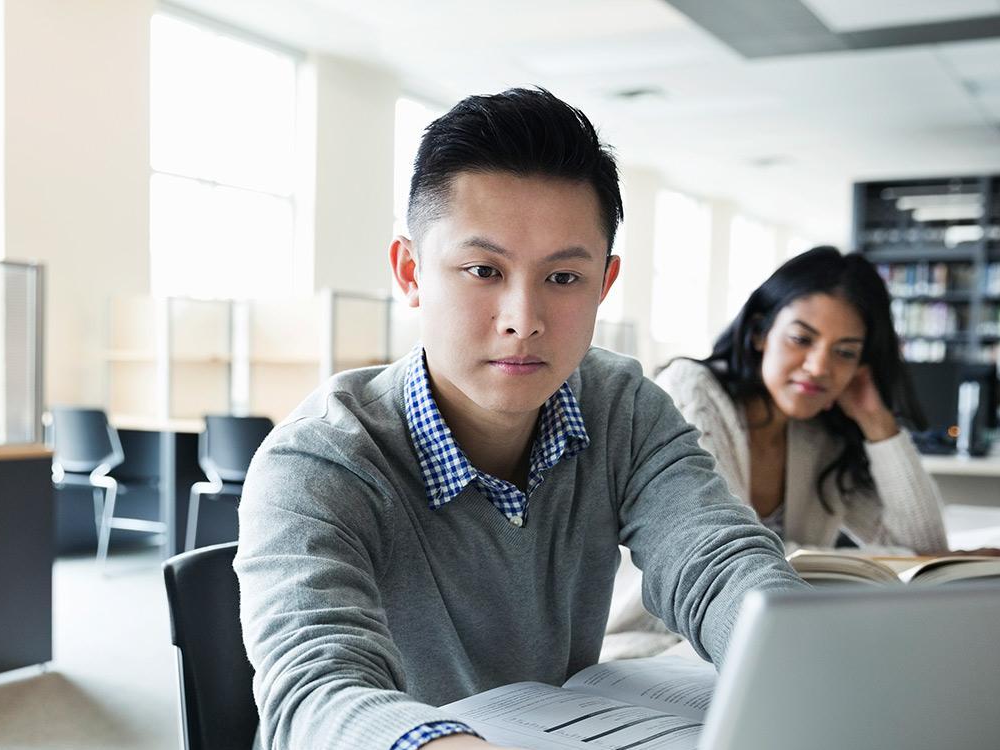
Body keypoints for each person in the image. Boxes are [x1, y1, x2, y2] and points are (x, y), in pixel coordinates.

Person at [233, 87, 807, 750]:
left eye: (563, 279)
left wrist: (800, 663)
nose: (522, 319)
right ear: (410, 271)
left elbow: (716, 559)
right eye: (483, 270)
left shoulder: (620, 405)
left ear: (604, 284)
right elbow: (313, 689)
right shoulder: (319, 461)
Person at [605, 247, 949, 657]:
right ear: (759, 334)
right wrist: (878, 561)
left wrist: (878, 423)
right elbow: (730, 560)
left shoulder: (822, 437)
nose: (820, 366)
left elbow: (925, 547)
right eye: (802, 339)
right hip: (656, 640)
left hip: (769, 639)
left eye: (844, 352)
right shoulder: (691, 391)